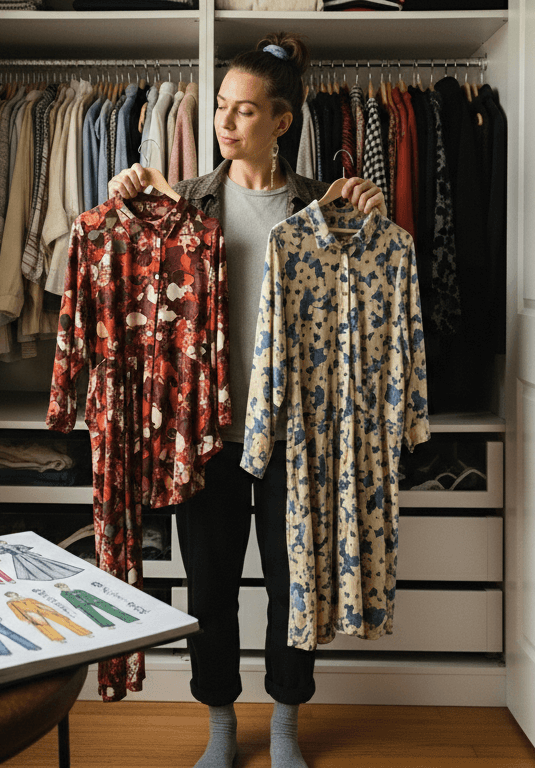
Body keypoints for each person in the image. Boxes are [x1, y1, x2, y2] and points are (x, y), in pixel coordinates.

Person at [107, 32, 384, 768]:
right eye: (222, 109)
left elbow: (374, 290)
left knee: (294, 586)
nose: (225, 124)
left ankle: (287, 726)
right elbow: (125, 265)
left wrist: (371, 210)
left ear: (282, 121)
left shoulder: (318, 206)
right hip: (211, 434)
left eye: (244, 112)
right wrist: (125, 196)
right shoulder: (188, 201)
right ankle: (223, 729)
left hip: (296, 435)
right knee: (211, 588)